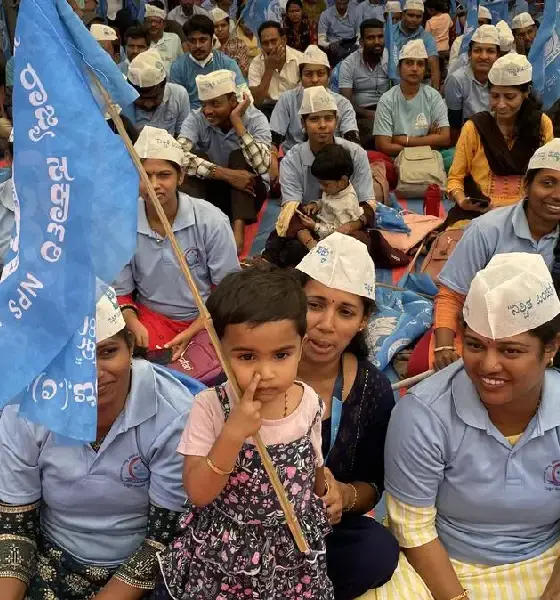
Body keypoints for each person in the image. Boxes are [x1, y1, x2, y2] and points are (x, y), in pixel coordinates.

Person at [376, 252, 560, 600]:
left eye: (511, 351)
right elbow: (413, 528)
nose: (489, 366)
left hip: (548, 557)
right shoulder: (422, 415)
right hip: (439, 562)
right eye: (475, 345)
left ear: (551, 347)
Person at [0, 289, 192, 599]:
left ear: (131, 348)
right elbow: (16, 528)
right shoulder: (23, 409)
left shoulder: (174, 414)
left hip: (142, 564)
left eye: (106, 352)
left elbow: (162, 537)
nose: (90, 374)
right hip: (49, 554)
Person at [156, 267, 334, 599]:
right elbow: (197, 493)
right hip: (227, 549)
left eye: (282, 355)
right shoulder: (210, 407)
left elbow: (314, 457)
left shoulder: (308, 399)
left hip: (291, 541)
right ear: (221, 351)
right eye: (247, 356)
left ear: (301, 346)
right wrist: (233, 433)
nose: (265, 373)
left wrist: (323, 491)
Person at [294, 233, 400, 600]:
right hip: (247, 519)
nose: (326, 324)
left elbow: (373, 485)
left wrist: (344, 495)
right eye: (315, 304)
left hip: (322, 529)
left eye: (345, 311)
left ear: (363, 321)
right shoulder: (256, 367)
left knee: (376, 553)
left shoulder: (372, 390)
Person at [431, 138, 560, 371]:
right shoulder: (486, 230)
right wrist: (444, 348)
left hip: (545, 339)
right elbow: (451, 294)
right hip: (486, 334)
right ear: (527, 186)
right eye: (548, 183)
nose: (557, 195)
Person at [115, 125, 239, 356]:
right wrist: (132, 321)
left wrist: (195, 329)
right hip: (149, 319)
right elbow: (121, 291)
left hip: (205, 319)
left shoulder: (210, 220)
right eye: (144, 176)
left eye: (164, 175)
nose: (154, 185)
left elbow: (228, 291)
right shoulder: (123, 222)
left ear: (181, 176)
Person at [263, 86, 374, 267]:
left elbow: (367, 205)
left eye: (328, 118)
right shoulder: (292, 159)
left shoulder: (356, 154)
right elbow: (292, 210)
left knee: (359, 247)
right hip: (308, 226)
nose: (322, 125)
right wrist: (312, 244)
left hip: (346, 223)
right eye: (314, 119)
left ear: (336, 121)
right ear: (303, 123)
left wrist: (348, 228)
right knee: (294, 251)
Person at [447, 54, 553, 219]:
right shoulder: (474, 127)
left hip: (527, 214)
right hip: (479, 214)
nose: (501, 105)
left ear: (526, 93)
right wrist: (462, 200)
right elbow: (455, 178)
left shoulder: (542, 125)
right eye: (495, 96)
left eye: (510, 97)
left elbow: (549, 175)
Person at [178, 70, 271, 253]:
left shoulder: (256, 119)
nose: (208, 111)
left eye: (215, 104)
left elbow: (262, 166)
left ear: (233, 101)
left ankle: (237, 235)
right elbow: (178, 156)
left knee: (240, 156)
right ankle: (195, 228)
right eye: (204, 104)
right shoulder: (196, 118)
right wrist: (226, 175)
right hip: (214, 190)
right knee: (194, 158)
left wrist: (237, 121)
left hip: (250, 192)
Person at [270, 44, 359, 163]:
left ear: (329, 76)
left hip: (333, 161)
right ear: (300, 76)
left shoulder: (342, 103)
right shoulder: (288, 99)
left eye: (321, 73)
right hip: (294, 161)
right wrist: (273, 160)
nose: (315, 80)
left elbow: (353, 140)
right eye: (308, 74)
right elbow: (274, 137)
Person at [373, 40, 450, 157]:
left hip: (430, 156)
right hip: (398, 157)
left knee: (454, 156)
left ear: (425, 70)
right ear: (399, 68)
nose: (415, 68)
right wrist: (429, 140)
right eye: (409, 63)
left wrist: (406, 140)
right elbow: (383, 145)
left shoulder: (433, 96)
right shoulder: (387, 99)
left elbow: (445, 138)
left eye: (420, 64)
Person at [294, 144, 367, 252]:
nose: (321, 187)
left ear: (342, 182)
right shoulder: (334, 189)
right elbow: (326, 201)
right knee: (292, 215)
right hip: (321, 224)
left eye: (325, 184)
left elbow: (338, 232)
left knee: (295, 248)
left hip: (330, 236)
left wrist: (315, 226)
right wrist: (316, 204)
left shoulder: (347, 204)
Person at [170, 15, 246, 110]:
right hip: (190, 119)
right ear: (187, 43)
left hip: (224, 117)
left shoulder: (227, 64)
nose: (197, 46)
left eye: (203, 40)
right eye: (192, 41)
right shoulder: (178, 67)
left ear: (213, 41)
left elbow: (243, 96)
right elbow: (175, 106)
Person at [444, 24, 499, 144]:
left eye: (490, 51)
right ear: (469, 54)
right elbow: (454, 125)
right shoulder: (457, 80)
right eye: (477, 50)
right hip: (466, 139)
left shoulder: (503, 79)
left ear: (498, 56)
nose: (483, 56)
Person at [339, 19, 390, 137]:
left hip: (388, 111)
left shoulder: (391, 58)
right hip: (361, 114)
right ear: (361, 42)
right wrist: (369, 114)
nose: (377, 42)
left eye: (380, 37)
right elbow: (346, 102)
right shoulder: (349, 64)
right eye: (371, 38)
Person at [122, 49, 190, 136]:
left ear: (164, 86)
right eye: (140, 99)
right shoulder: (121, 103)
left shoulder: (179, 95)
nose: (148, 104)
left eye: (154, 98)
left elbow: (182, 135)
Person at [248, 21, 304, 117]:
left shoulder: (300, 59)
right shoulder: (256, 64)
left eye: (274, 41)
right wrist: (269, 69)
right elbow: (257, 102)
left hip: (295, 109)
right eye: (265, 43)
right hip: (267, 111)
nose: (270, 47)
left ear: (284, 40)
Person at [393, 0, 440, 89]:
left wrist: (436, 94)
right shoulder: (391, 33)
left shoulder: (427, 38)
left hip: (418, 84)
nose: (414, 20)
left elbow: (434, 67)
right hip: (392, 84)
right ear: (403, 15)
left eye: (418, 16)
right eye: (410, 15)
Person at [448, 5, 492, 71]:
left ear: (488, 24)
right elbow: (452, 68)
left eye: (481, 22)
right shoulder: (460, 41)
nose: (477, 25)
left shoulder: (493, 41)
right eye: (474, 22)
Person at [318, 0, 361, 66]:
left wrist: (356, 45)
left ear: (348, 2)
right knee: (338, 53)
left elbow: (359, 35)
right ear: (335, 1)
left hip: (352, 45)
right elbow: (320, 40)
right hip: (335, 47)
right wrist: (329, 45)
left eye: (344, 4)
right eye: (339, 4)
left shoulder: (356, 13)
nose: (341, 7)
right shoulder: (325, 15)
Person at [144, 3, 183, 74]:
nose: (153, 25)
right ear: (145, 24)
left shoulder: (174, 38)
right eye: (149, 21)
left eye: (157, 21)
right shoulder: (142, 41)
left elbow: (182, 63)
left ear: (164, 24)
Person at [212, 7, 250, 78]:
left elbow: (244, 71)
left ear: (229, 26)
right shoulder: (209, 45)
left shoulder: (239, 44)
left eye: (223, 25)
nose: (220, 29)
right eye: (216, 26)